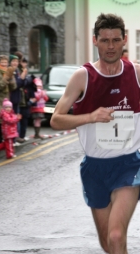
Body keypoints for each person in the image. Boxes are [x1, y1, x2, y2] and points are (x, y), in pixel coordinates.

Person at [50, 13, 140, 254]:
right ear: (95, 40)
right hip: (95, 167)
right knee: (107, 243)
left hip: (129, 165)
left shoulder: (137, 73)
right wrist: (91, 117)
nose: (110, 46)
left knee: (116, 234)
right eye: (104, 40)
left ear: (125, 40)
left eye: (115, 40)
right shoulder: (83, 77)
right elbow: (56, 119)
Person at [9, 54, 28, 144]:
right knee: (11, 118)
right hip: (11, 98)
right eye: (13, 61)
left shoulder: (16, 71)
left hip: (17, 98)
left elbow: (22, 84)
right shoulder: (10, 71)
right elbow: (14, 85)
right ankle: (12, 138)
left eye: (16, 61)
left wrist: (23, 79)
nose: (15, 63)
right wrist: (22, 78)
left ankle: (15, 137)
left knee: (16, 118)